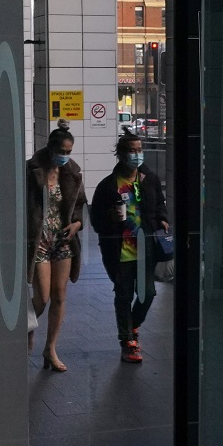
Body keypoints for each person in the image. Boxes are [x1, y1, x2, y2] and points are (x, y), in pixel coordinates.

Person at [90, 130, 169, 363]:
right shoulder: (108, 186)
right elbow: (96, 221)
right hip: (120, 251)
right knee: (123, 296)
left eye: (139, 150)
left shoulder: (150, 179)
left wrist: (163, 218)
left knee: (148, 293)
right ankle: (127, 343)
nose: (137, 155)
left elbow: (160, 204)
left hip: (146, 249)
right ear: (121, 155)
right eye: (132, 151)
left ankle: (132, 326)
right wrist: (110, 218)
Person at [26, 119, 87, 372]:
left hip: (62, 239)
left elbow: (80, 206)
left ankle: (50, 348)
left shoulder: (72, 172)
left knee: (59, 295)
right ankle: (27, 328)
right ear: (50, 148)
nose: (64, 157)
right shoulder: (32, 170)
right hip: (38, 238)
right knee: (41, 297)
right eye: (61, 152)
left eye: (68, 152)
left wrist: (77, 225)